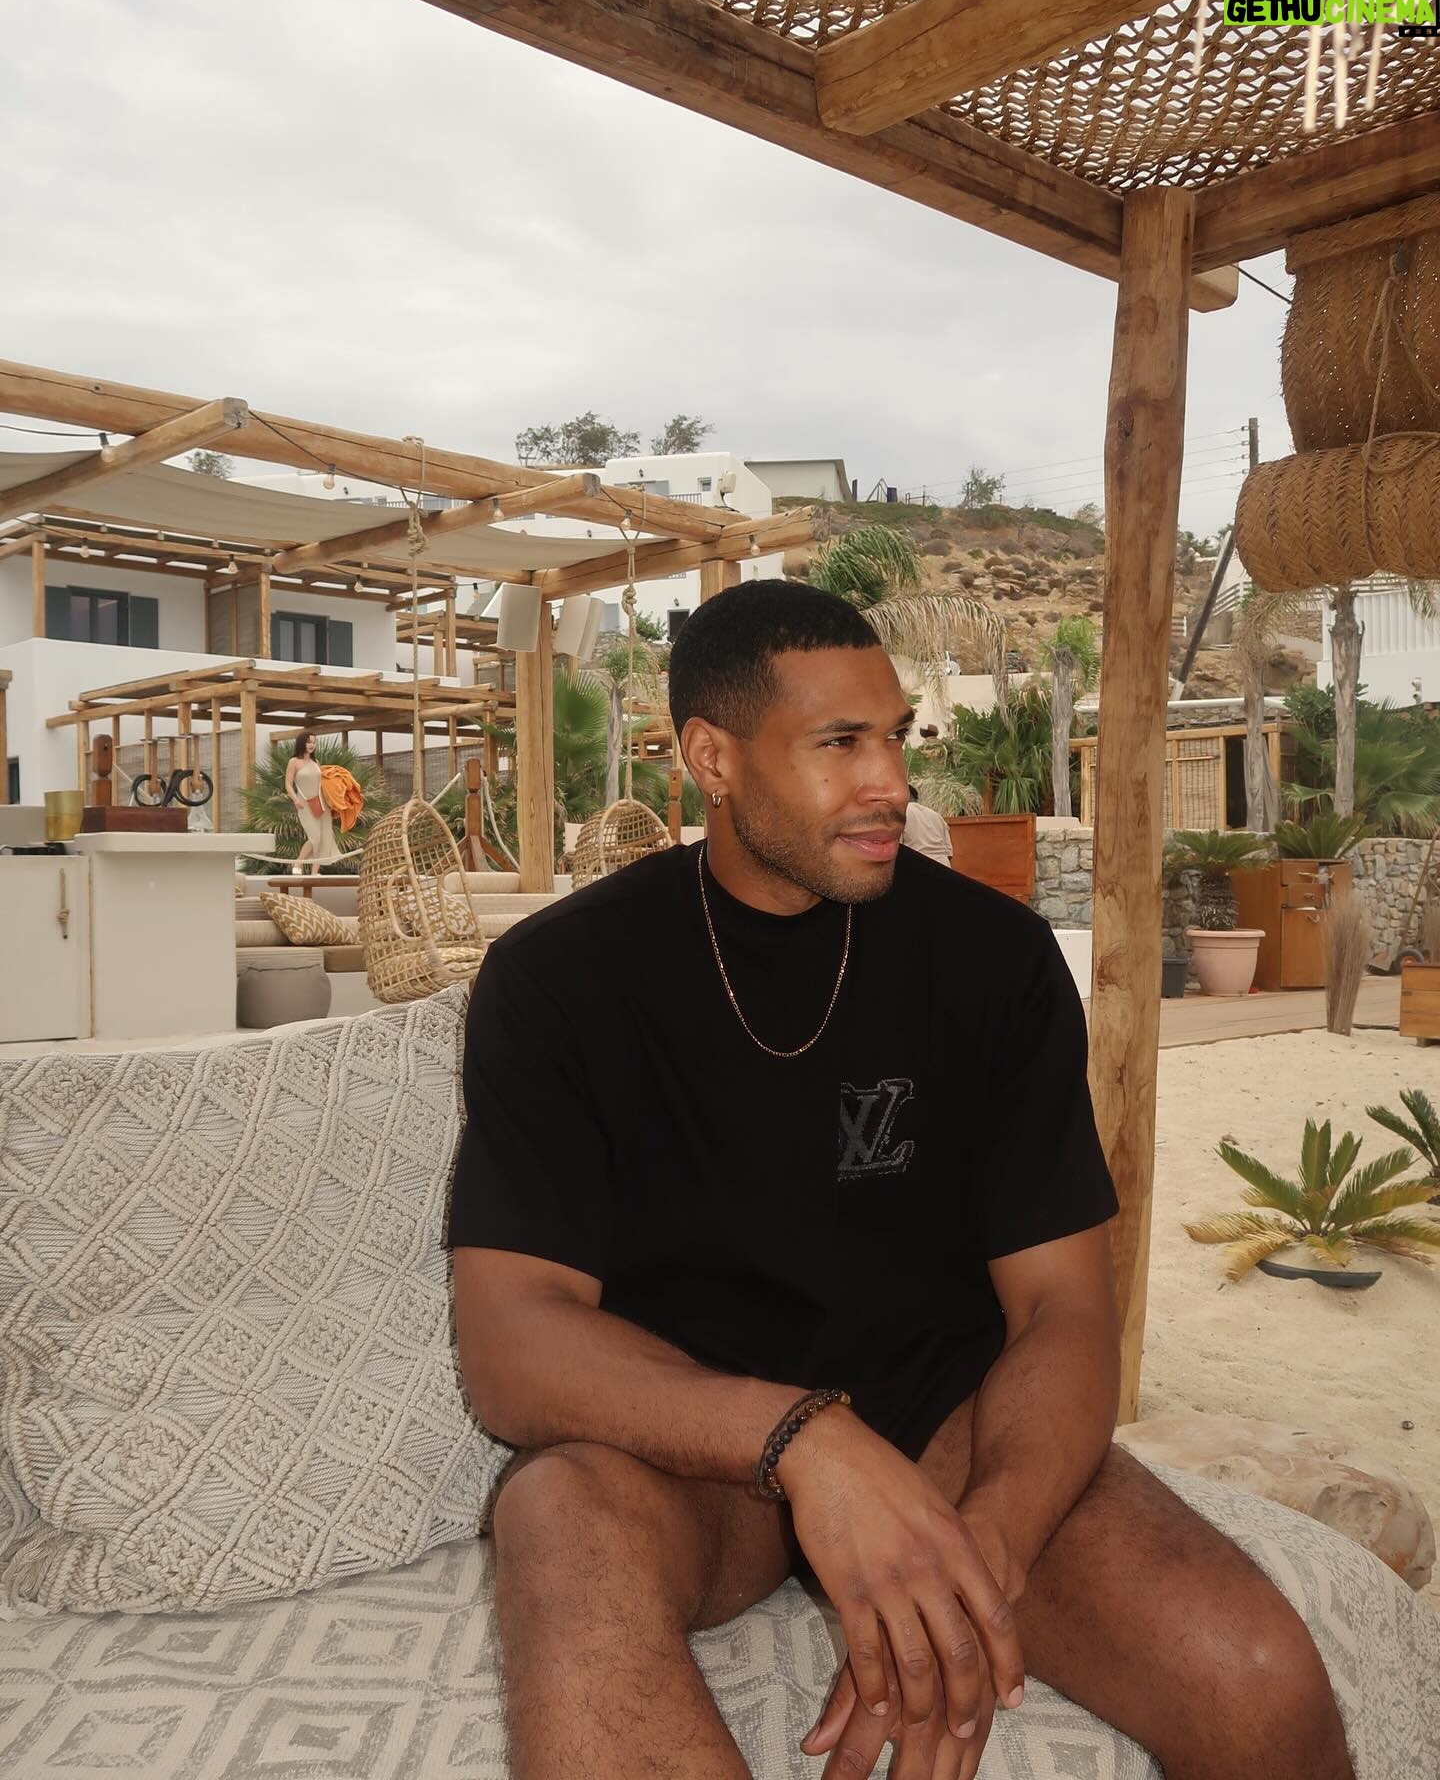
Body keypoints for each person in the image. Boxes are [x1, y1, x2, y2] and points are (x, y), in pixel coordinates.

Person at [449, 582, 1353, 1780]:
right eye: (840, 743)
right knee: (552, 1513)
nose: (891, 782)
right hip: (685, 1463)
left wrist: (981, 1560)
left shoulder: (993, 961)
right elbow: (512, 1346)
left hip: (947, 1436)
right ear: (712, 759)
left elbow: (1064, 1311)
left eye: (895, 736)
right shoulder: (559, 979)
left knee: (1258, 1681)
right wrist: (807, 1444)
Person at [284, 729, 338, 876]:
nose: (312, 745)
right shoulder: (294, 762)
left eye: (314, 742)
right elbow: (288, 784)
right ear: (302, 743)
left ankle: (315, 872)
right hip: (304, 804)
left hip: (321, 803)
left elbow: (322, 784)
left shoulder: (316, 763)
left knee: (323, 838)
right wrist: (295, 800)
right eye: (309, 742)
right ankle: (298, 863)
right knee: (315, 838)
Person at [903, 782, 955, 868]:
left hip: (917, 864)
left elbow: (898, 849)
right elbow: (949, 854)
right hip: (943, 864)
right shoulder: (937, 816)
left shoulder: (901, 814)